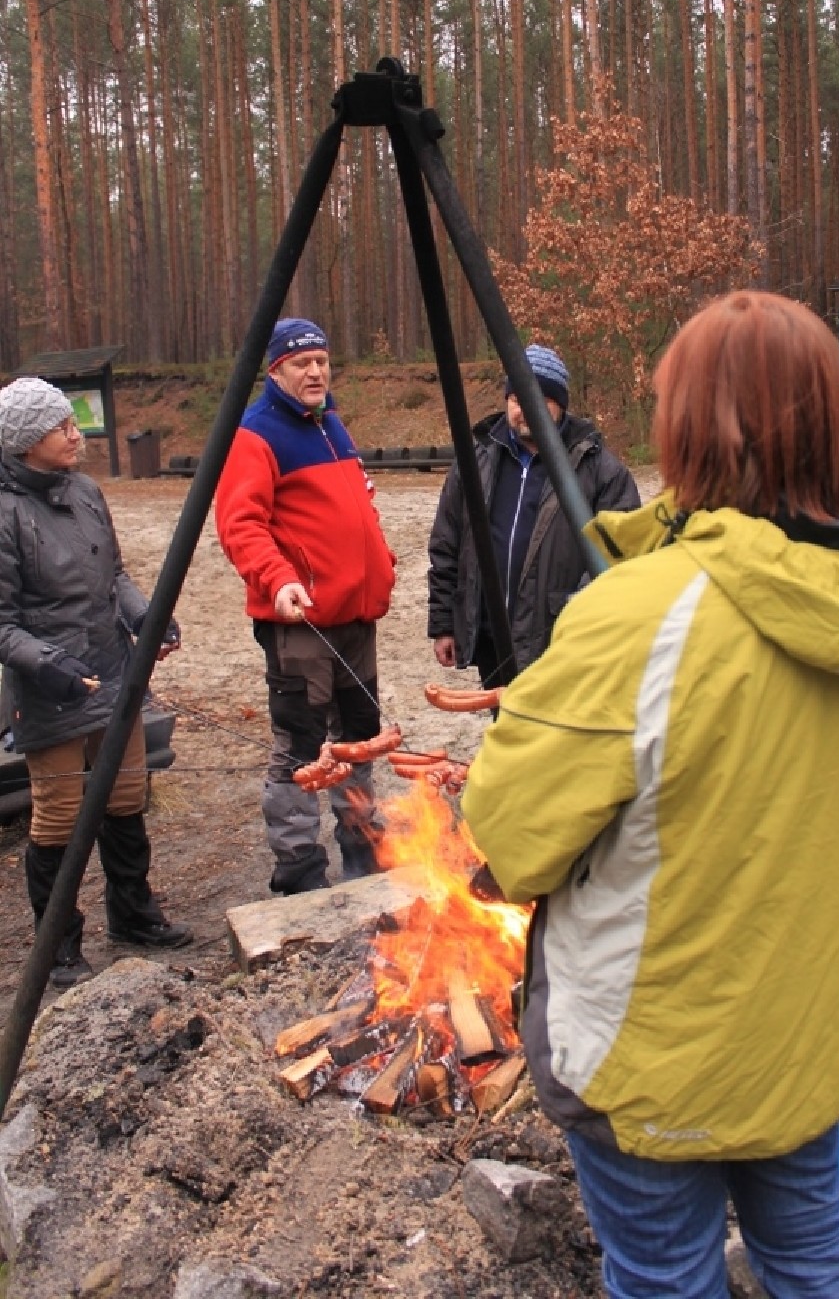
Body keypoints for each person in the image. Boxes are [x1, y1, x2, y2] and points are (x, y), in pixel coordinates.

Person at [461, 291, 839, 1299]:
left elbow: (511, 827)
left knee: (663, 1276)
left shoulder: (641, 612)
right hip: (808, 1030)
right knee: (815, 1256)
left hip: (656, 1048)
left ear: (689, 428)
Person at [0, 377, 192, 990]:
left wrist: (147, 619)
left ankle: (133, 915)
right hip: (51, 690)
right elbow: (2, 623)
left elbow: (115, 577)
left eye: (71, 422)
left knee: (126, 794)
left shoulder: (85, 491)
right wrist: (45, 663)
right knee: (58, 816)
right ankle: (58, 945)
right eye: (60, 427)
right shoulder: (5, 513)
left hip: (114, 676)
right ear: (27, 441)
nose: (74, 434)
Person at [216, 318, 396, 893]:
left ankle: (362, 849)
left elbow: (358, 507)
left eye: (321, 360)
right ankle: (298, 868)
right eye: (301, 363)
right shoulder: (256, 434)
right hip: (300, 622)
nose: (315, 371)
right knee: (300, 744)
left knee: (359, 735)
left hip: (355, 618)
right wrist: (278, 580)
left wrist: (381, 562)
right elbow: (240, 524)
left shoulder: (331, 424)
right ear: (276, 371)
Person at [427, 343, 640, 688]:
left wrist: (579, 616)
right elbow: (446, 543)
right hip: (491, 639)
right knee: (503, 718)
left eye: (539, 400)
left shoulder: (599, 470)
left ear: (560, 405)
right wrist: (443, 623)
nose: (524, 410)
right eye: (516, 399)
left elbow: (621, 553)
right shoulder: (476, 459)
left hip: (559, 643)